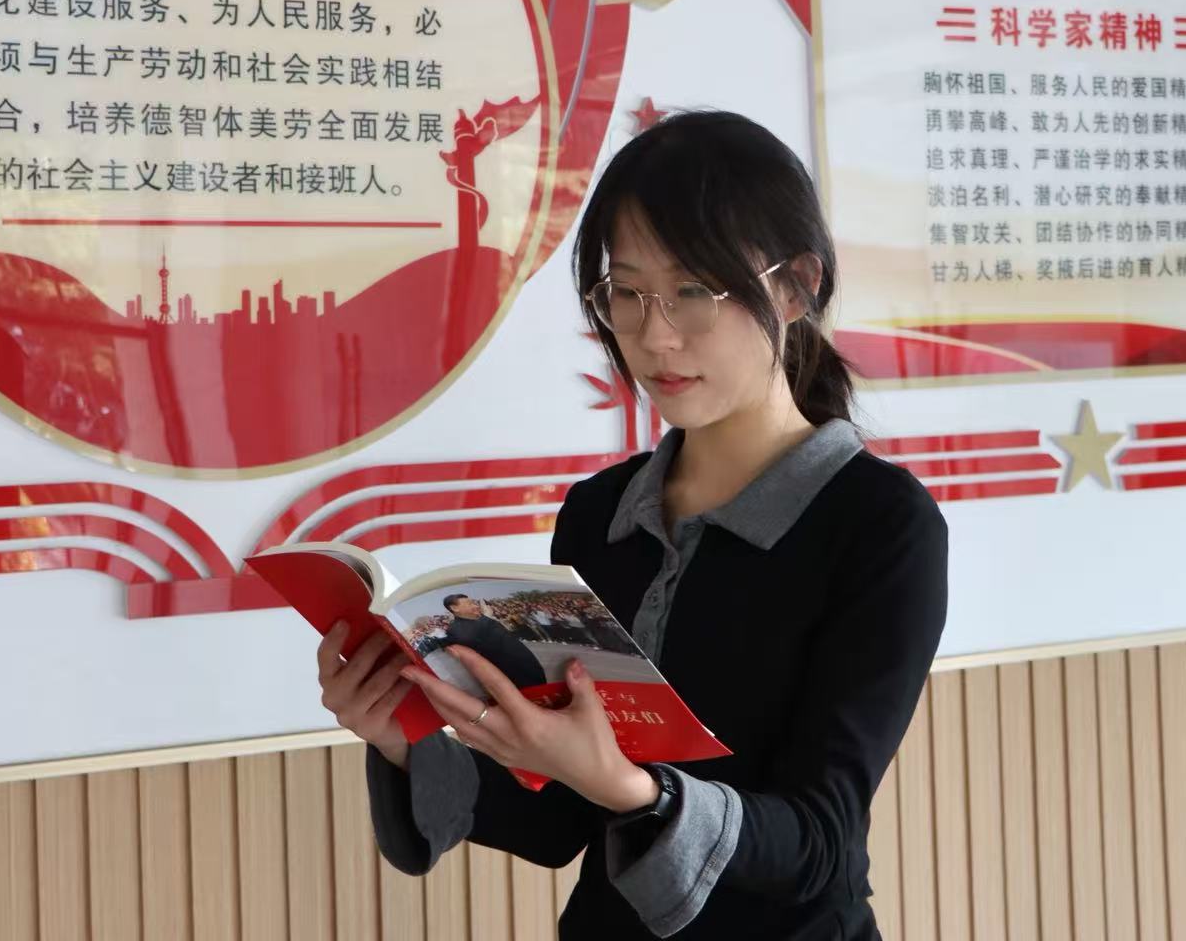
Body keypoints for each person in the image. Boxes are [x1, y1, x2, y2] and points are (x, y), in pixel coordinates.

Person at [316, 110, 947, 939]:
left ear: (796, 287)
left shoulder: (879, 524)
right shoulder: (599, 515)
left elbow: (817, 843)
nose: (654, 335)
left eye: (694, 292)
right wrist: (403, 734)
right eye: (627, 292)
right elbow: (557, 820)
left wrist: (631, 788)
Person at [428, 593, 548, 690]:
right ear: (455, 608)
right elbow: (469, 638)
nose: (475, 606)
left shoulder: (481, 620)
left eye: (474, 602)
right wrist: (487, 617)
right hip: (511, 672)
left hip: (526, 664)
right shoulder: (456, 628)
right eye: (470, 603)